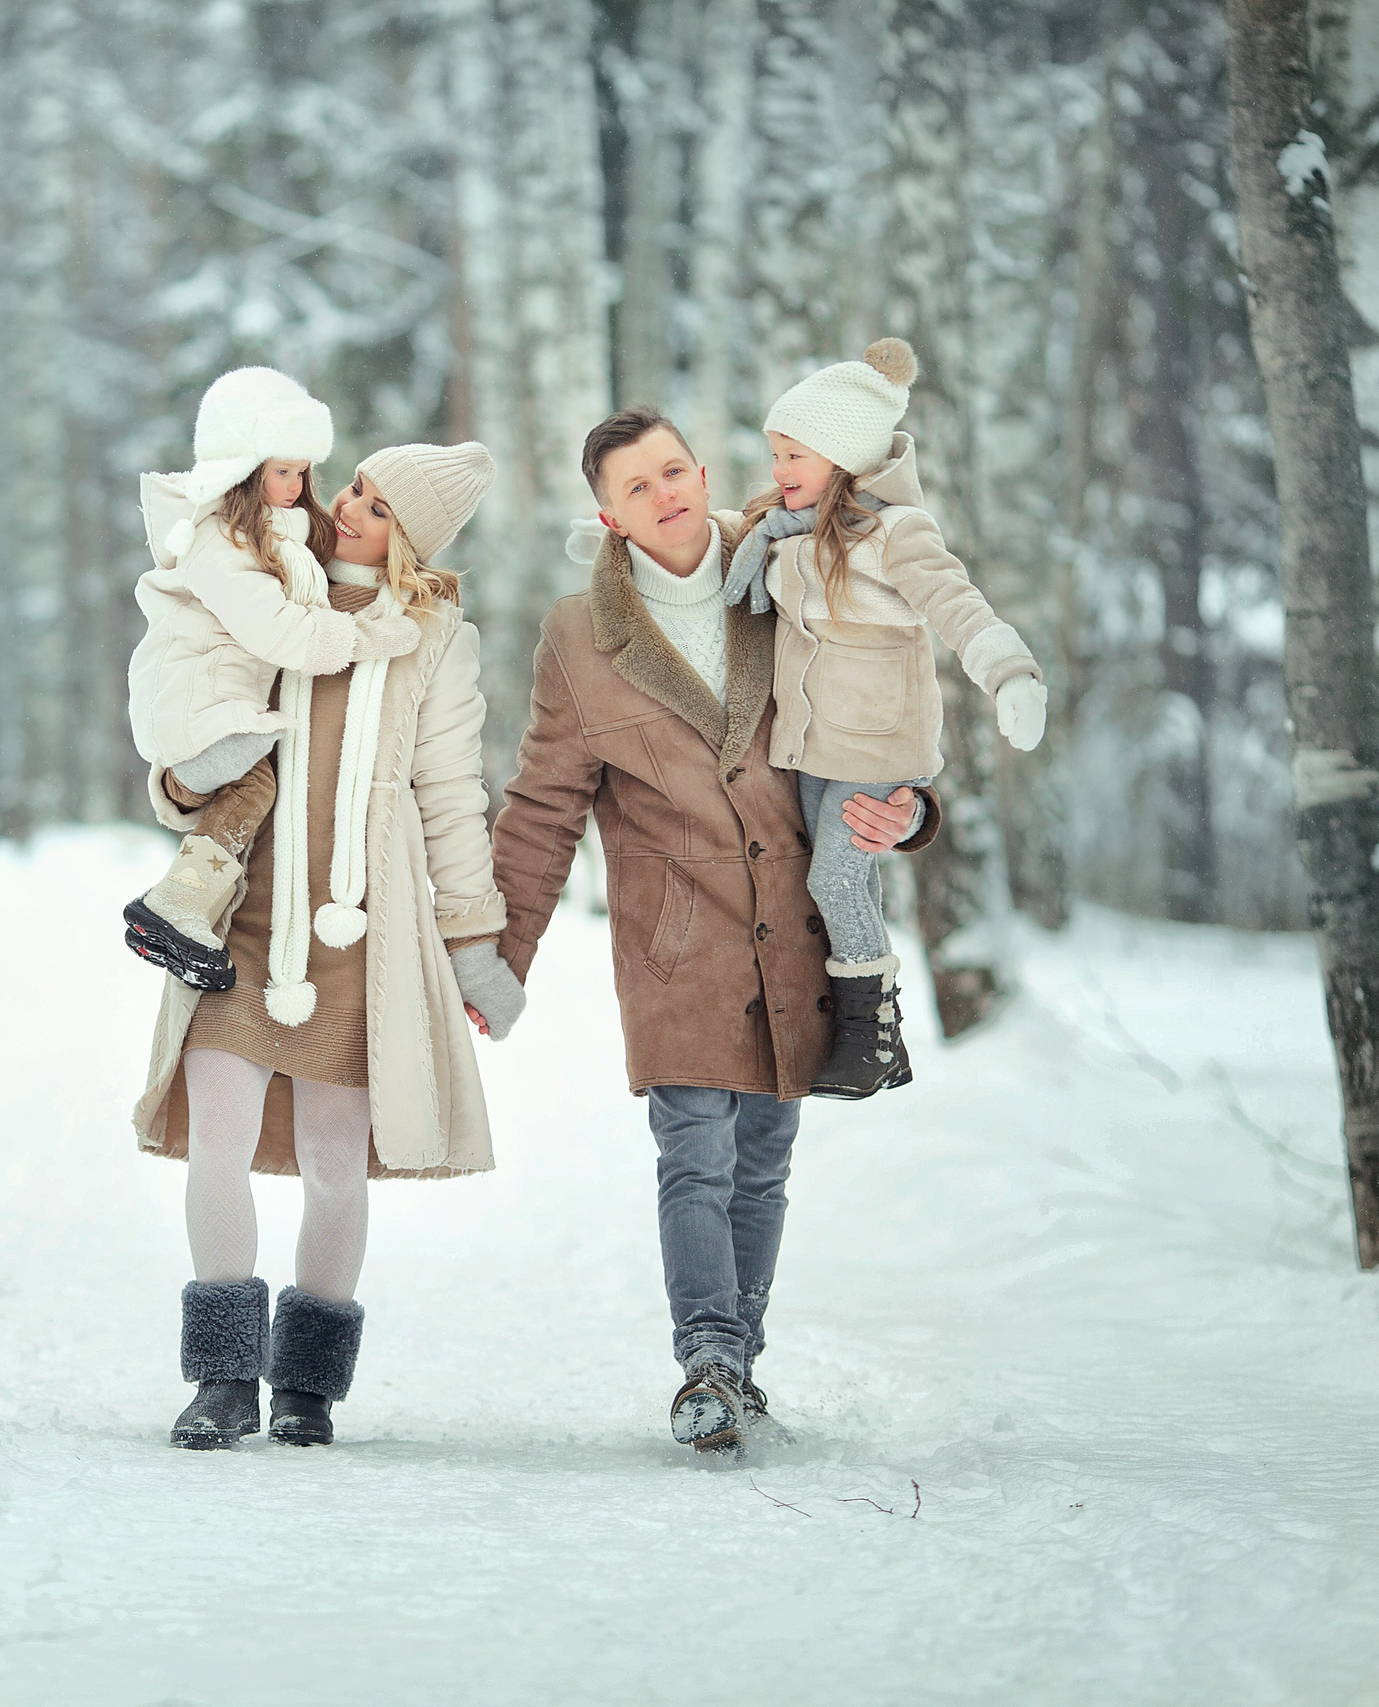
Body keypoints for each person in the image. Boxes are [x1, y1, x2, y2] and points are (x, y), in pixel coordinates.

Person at [491, 406, 936, 1456]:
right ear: (607, 515)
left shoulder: (792, 567)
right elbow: (544, 804)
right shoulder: (578, 636)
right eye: (638, 486)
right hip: (674, 936)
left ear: (701, 470)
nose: (668, 493)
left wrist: (910, 812)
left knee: (764, 1156)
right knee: (694, 1151)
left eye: (676, 469)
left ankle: (742, 1359)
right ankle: (709, 1360)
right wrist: (498, 954)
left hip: (792, 922)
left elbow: (879, 706)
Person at [129, 440, 521, 1450]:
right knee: (215, 1136)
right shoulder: (271, 582)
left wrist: (472, 934)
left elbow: (449, 794)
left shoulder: (434, 637)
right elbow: (191, 706)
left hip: (362, 931)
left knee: (334, 1160)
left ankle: (305, 1385)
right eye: (355, 485)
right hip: (246, 910)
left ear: (412, 541)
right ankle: (222, 1376)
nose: (347, 506)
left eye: (379, 507)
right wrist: (177, 785)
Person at [719, 339, 1049, 1097]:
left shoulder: (899, 535)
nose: (778, 471)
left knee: (837, 883)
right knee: (843, 886)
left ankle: (865, 1041)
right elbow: (710, 532)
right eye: (775, 453)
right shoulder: (788, 528)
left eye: (793, 454)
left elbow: (958, 605)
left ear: (840, 455)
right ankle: (885, 1039)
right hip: (809, 749)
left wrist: (1009, 673)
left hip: (874, 753)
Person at [124, 367, 423, 995]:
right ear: (242, 465)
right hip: (198, 696)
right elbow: (278, 632)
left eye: (302, 472)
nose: (296, 486)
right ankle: (176, 905)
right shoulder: (217, 539)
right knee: (252, 781)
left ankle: (180, 904)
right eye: (280, 470)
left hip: (219, 696)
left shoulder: (273, 532)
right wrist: (367, 637)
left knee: (251, 787)